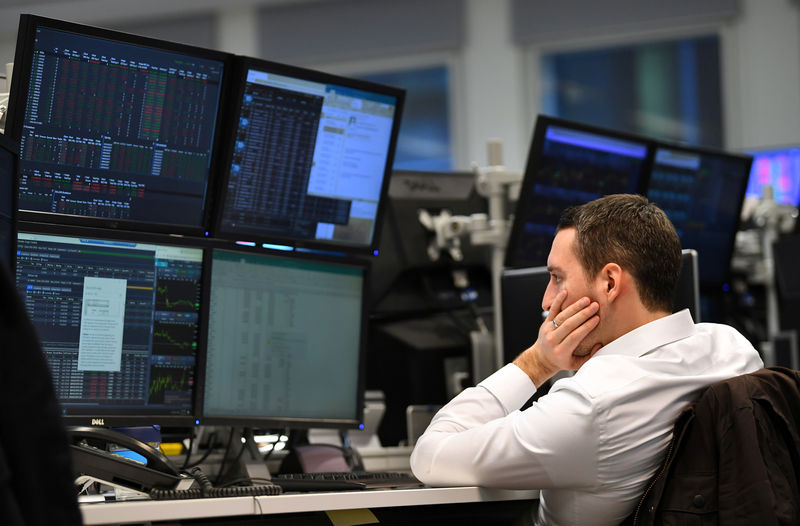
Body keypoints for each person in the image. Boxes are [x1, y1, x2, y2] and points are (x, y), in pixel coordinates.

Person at [409, 194, 763, 526]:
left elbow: (429, 456)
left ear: (609, 283)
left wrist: (537, 362)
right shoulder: (733, 349)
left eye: (556, 278)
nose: (547, 301)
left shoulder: (592, 406)